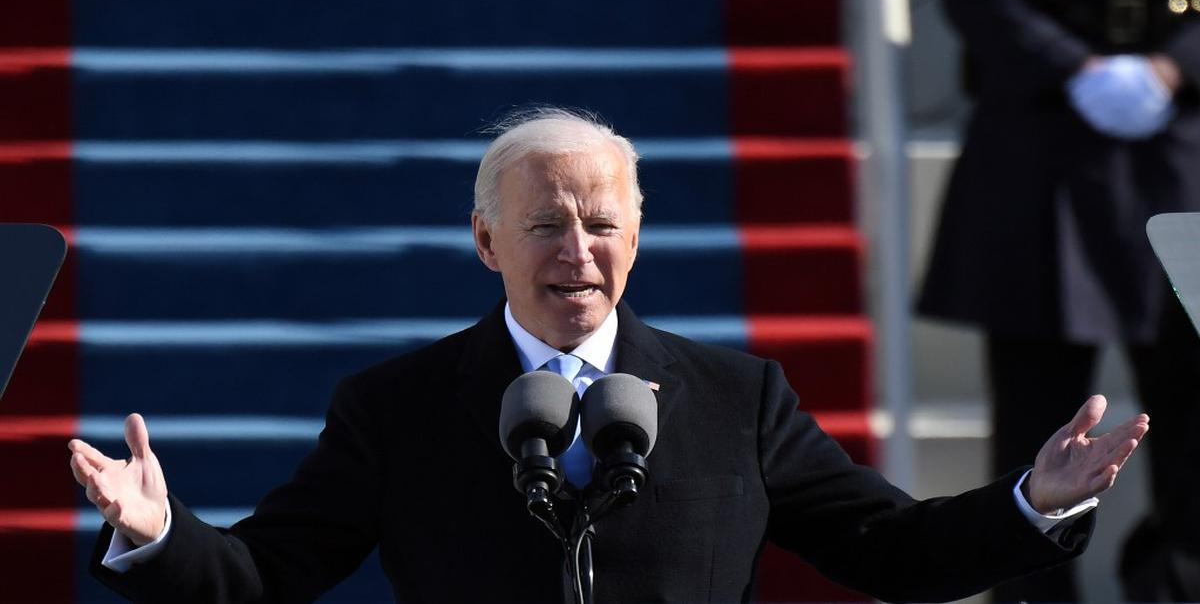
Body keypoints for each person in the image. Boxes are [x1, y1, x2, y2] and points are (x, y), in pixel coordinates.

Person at [71, 108, 1148, 602]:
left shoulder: (738, 394)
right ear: (487, 242)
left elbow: (889, 551)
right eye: (545, 225)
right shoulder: (395, 405)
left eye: (601, 223)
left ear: (637, 237)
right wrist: (160, 536)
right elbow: (269, 573)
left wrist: (1031, 504)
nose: (576, 251)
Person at [918, 0, 1200, 600]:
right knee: (1036, 424)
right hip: (1041, 134)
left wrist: (1177, 66)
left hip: (1188, 138)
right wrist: (1069, 66)